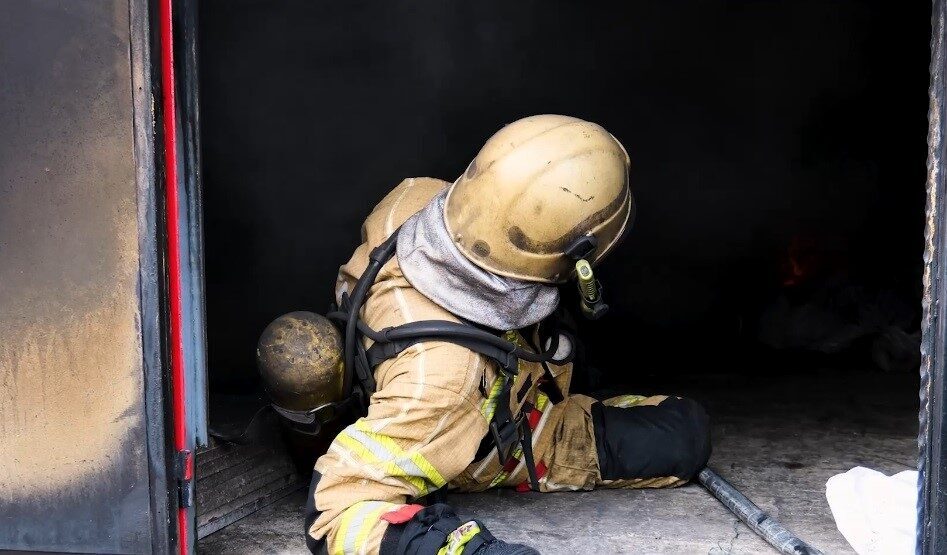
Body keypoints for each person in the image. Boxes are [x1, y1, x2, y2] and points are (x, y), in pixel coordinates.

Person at [304, 115, 711, 554]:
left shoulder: (411, 197)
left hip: (501, 389)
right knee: (678, 442)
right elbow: (335, 514)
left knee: (684, 431)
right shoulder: (444, 382)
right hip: (475, 435)